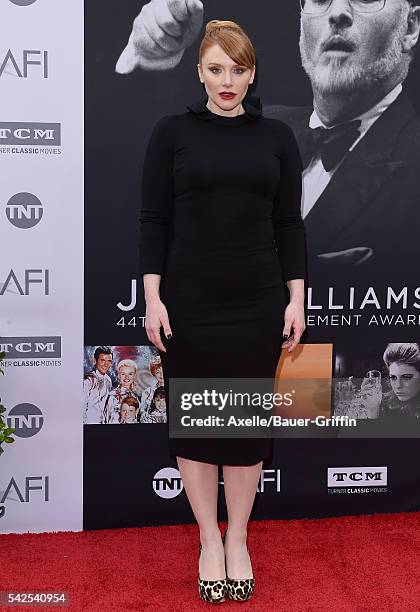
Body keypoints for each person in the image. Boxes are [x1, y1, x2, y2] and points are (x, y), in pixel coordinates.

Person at [138, 20, 307, 603]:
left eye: (238, 70)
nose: (227, 81)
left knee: (242, 430)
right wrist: (153, 297)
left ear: (252, 72)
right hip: (190, 301)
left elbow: (289, 221)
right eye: (216, 68)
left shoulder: (279, 136)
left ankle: (239, 538)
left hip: (257, 300)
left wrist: (296, 296)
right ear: (199, 71)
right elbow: (153, 219)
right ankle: (208, 538)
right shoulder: (172, 133)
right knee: (198, 423)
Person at [118, 0, 420, 284]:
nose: (337, 12)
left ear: (410, 27)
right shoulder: (246, 126)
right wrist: (148, 58)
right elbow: (134, 196)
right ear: (302, 27)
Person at [83, 346, 114, 424]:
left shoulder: (108, 380)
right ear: (95, 360)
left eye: (109, 361)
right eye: (102, 360)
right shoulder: (88, 380)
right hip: (90, 423)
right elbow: (81, 406)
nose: (106, 364)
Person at [104, 359, 139, 424]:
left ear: (134, 375)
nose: (127, 377)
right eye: (123, 374)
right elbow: (106, 418)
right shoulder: (113, 396)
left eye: (130, 374)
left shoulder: (135, 396)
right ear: (118, 376)